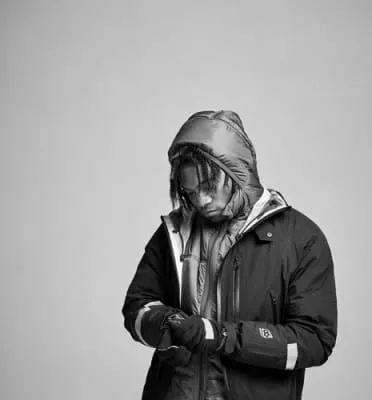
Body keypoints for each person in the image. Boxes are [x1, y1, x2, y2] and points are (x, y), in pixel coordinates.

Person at [122, 110, 337, 400]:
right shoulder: (174, 232)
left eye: (208, 187)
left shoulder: (300, 239)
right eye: (190, 191)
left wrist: (221, 336)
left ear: (238, 172)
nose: (201, 200)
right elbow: (136, 306)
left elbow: (315, 341)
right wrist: (163, 324)